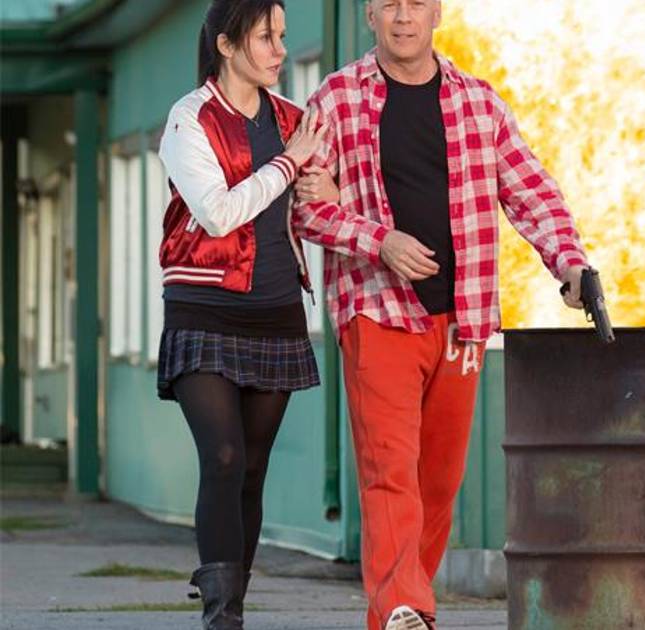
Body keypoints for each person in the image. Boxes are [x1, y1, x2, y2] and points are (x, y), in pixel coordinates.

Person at [292, 1, 590, 628]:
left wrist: (567, 262)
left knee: (438, 481)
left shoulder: (478, 102)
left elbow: (532, 190)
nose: (404, 17)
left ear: (437, 15)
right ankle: (403, 607)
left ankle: (405, 609)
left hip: (462, 317)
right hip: (377, 312)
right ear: (370, 14)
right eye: (390, 5)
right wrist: (380, 241)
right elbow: (306, 207)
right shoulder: (336, 99)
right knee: (390, 470)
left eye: (417, 4)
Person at [156, 1, 336, 627]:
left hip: (275, 310)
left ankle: (231, 605)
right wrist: (289, 164)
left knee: (253, 469)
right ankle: (221, 618)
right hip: (202, 309)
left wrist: (324, 185)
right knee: (225, 457)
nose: (280, 50)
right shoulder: (189, 119)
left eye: (282, 36)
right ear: (228, 46)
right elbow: (218, 213)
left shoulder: (293, 119)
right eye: (265, 37)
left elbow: (317, 202)